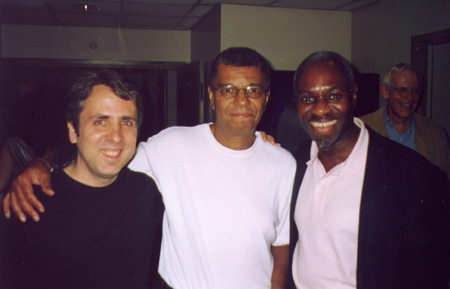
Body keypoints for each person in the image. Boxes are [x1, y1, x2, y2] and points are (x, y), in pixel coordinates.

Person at [3, 47, 296, 289]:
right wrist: (39, 164)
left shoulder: (282, 164)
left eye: (253, 90)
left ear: (266, 97)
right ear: (211, 94)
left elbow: (280, 253)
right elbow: (102, 159)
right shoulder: (171, 146)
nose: (241, 100)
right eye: (228, 89)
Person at [288, 51, 449, 289]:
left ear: (353, 94)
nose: (321, 109)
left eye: (333, 95)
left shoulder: (414, 175)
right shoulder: (298, 160)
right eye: (308, 98)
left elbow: (429, 274)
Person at [0, 70, 164, 288]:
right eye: (100, 122)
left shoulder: (146, 191)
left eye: (126, 122)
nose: (116, 137)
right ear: (73, 131)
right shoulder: (29, 204)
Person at [361, 63, 450, 179]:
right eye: (402, 90)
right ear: (385, 92)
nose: (410, 97)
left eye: (415, 91)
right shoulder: (362, 128)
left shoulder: (435, 133)